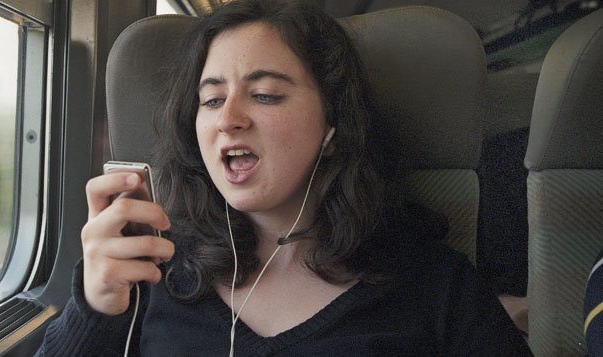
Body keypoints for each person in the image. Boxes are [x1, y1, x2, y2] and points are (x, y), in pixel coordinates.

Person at [38, 0, 531, 355]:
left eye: (266, 95)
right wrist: (94, 306)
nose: (228, 117)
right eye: (210, 100)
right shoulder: (149, 270)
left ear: (332, 126)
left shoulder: (436, 286)